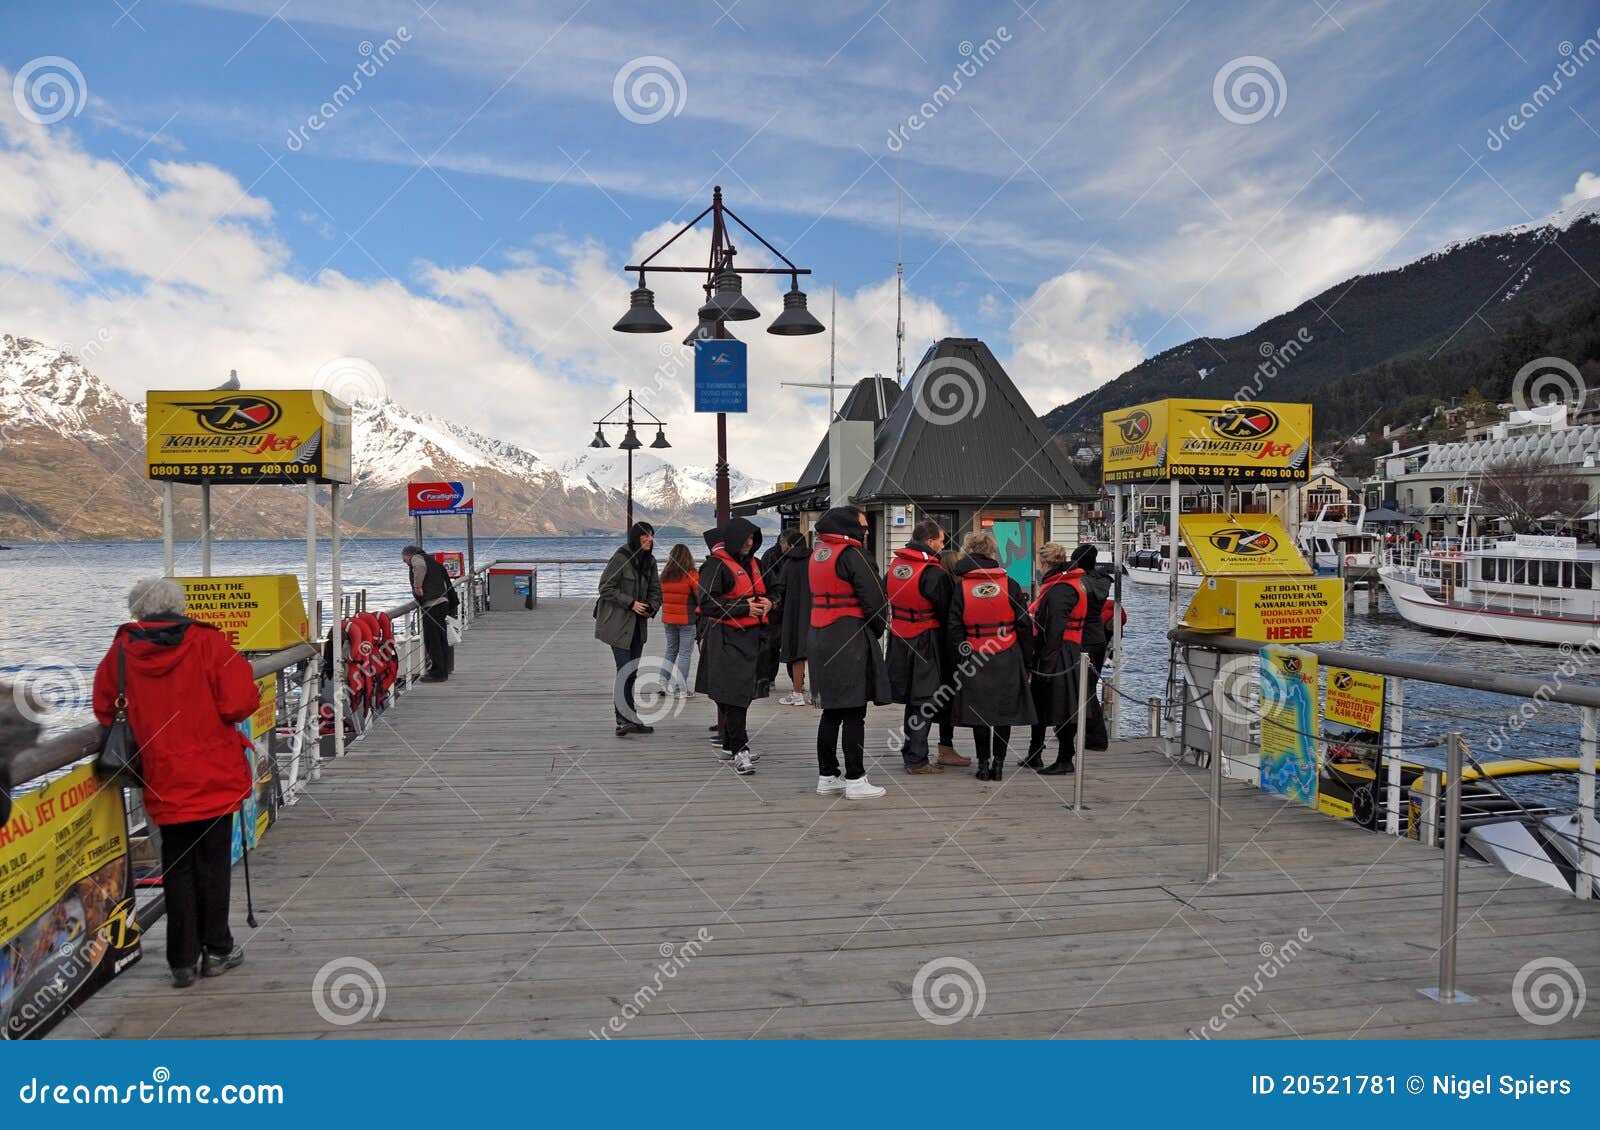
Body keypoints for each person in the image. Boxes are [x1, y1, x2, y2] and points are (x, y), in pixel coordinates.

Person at [92, 578, 259, 988]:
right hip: (214, 773)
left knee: (177, 866)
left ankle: (181, 962)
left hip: (162, 775)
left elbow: (103, 709)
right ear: (179, 606)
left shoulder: (121, 654)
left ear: (138, 611)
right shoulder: (209, 644)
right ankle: (217, 950)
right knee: (214, 864)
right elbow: (239, 702)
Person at [808, 506, 891, 800]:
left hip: (819, 633)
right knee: (855, 711)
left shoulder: (818, 553)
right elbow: (875, 600)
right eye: (864, 527)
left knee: (831, 710)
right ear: (848, 527)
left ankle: (827, 775)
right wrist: (876, 632)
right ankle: (856, 779)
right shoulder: (853, 555)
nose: (866, 532)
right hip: (848, 634)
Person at [946, 530, 1036, 781]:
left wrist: (961, 655)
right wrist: (1028, 661)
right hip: (1006, 653)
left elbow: (953, 627)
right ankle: (999, 764)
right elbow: (1024, 625)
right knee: (1003, 713)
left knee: (979, 713)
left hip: (974, 653)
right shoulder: (1010, 584)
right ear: (992, 551)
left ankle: (983, 764)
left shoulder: (961, 586)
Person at [696, 517, 771, 773]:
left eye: (753, 538)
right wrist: (744, 607)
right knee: (735, 695)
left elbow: (773, 591)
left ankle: (729, 744)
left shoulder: (755, 565)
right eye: (746, 538)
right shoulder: (716, 567)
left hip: (751, 638)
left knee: (738, 694)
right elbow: (706, 603)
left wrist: (771, 603)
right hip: (725, 638)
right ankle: (741, 750)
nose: (750, 542)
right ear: (734, 538)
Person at [887, 518, 962, 775]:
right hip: (925, 639)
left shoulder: (896, 565)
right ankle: (917, 759)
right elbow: (946, 612)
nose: (943, 546)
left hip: (899, 638)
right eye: (941, 541)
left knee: (912, 698)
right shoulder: (934, 573)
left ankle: (911, 751)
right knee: (925, 700)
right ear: (930, 542)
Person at [1023, 543, 1087, 775]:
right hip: (1061, 649)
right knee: (1041, 704)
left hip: (1060, 652)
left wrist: (1046, 663)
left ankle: (1064, 758)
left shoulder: (1060, 590)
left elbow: (1055, 628)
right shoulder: (1065, 584)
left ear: (1046, 563)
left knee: (1062, 707)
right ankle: (1035, 753)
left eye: (1040, 563)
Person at [596, 522, 663, 736]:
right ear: (636, 537)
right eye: (645, 536)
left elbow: (656, 590)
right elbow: (605, 587)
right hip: (618, 624)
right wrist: (631, 603)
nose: (649, 539)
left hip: (638, 626)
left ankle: (629, 717)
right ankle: (624, 718)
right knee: (624, 670)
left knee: (632, 672)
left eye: (652, 536)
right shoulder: (621, 558)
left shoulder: (650, 561)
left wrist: (652, 606)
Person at [1077, 544, 1126, 752]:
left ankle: (1096, 736)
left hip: (1083, 638)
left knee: (1084, 690)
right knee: (1088, 688)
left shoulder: (1081, 584)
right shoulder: (1102, 582)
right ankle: (1090, 733)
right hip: (1098, 638)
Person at [401, 546, 454, 681]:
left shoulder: (417, 559)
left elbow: (419, 567)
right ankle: (444, 668)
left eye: (404, 559)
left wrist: (417, 586)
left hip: (432, 604)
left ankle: (438, 673)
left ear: (409, 555)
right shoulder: (433, 562)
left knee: (433, 639)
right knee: (441, 638)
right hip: (442, 602)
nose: (405, 562)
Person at [775, 529, 813, 706]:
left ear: (790, 545)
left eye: (784, 543)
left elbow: (779, 589)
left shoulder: (788, 563)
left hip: (793, 613)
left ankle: (797, 693)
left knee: (797, 654)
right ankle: (817, 694)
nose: (782, 546)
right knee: (815, 653)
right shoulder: (815, 560)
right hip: (816, 611)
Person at [659, 544, 699, 698]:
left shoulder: (664, 576)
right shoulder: (692, 575)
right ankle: (680, 689)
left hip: (669, 619)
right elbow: (700, 597)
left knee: (670, 650)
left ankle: (663, 682)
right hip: (686, 620)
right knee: (684, 654)